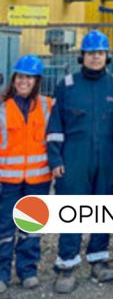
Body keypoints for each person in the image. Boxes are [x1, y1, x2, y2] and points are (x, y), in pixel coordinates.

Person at [47, 30, 113, 293]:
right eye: (91, 53)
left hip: (107, 157)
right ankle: (67, 264)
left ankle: (98, 259)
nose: (95, 57)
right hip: (74, 157)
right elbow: (55, 125)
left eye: (100, 53)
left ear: (106, 56)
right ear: (82, 56)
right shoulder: (67, 85)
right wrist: (55, 158)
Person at [0, 56, 52, 294]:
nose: (24, 81)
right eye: (20, 76)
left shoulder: (47, 106)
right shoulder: (2, 108)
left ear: (36, 81)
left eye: (29, 78)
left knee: (31, 227)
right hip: (7, 180)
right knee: (4, 229)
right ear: (14, 79)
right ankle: (2, 274)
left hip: (38, 179)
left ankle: (28, 271)